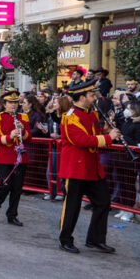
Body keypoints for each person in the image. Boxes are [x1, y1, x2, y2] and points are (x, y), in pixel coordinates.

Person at [58, 79, 122, 254]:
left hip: (92, 168)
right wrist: (108, 138)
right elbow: (81, 140)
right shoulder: (70, 117)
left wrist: (109, 132)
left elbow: (96, 135)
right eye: (92, 95)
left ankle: (95, 239)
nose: (95, 98)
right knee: (72, 206)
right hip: (75, 169)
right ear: (82, 97)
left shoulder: (92, 114)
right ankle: (65, 239)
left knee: (103, 202)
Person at [0, 90, 31, 226]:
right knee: (5, 185)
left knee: (17, 188)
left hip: (19, 157)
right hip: (2, 157)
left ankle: (12, 215)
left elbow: (29, 138)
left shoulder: (23, 117)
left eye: (15, 102)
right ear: (4, 104)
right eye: (10, 103)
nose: (14, 105)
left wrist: (23, 130)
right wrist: (10, 136)